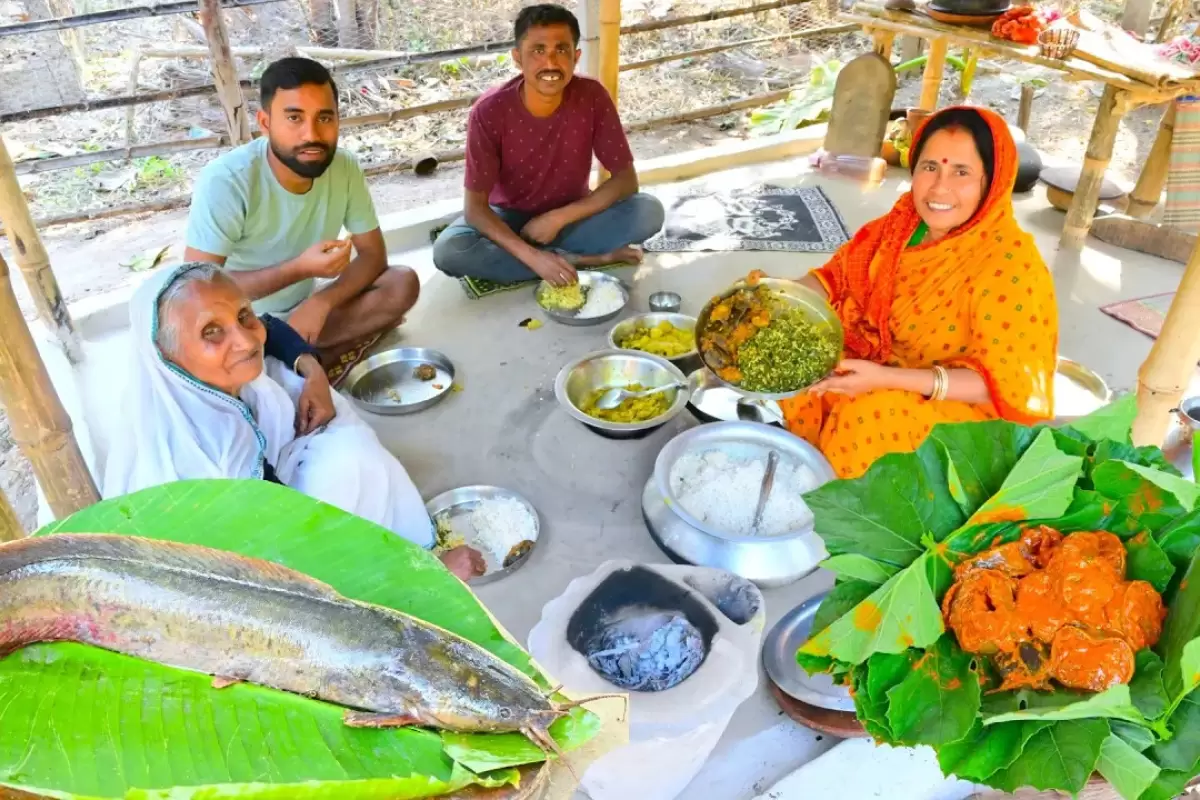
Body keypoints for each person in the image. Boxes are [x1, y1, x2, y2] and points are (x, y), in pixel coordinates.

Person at [103, 262, 486, 582]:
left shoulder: (199, 384)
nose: (246, 341)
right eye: (211, 332)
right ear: (166, 355)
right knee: (349, 462)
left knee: (340, 439)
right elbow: (285, 557)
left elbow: (272, 329)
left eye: (242, 316)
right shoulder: (201, 457)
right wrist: (422, 577)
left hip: (267, 492)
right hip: (247, 576)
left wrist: (313, 371)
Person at [780, 106, 1058, 479]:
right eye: (930, 167)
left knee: (869, 415)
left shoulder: (1011, 267)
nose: (940, 188)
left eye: (961, 172)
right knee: (795, 360)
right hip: (878, 364)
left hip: (960, 406)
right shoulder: (903, 222)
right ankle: (806, 470)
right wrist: (780, 296)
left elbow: (1006, 389)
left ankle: (847, 512)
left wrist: (883, 379)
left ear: (992, 181)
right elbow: (836, 279)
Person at [183, 57, 418, 365]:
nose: (312, 135)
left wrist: (322, 302)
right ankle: (312, 353)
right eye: (294, 118)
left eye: (324, 118)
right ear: (266, 123)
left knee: (402, 283)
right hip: (242, 322)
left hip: (303, 311)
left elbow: (374, 256)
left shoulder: (344, 167)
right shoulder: (228, 180)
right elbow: (197, 286)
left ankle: (294, 356)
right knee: (202, 346)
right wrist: (300, 269)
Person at [432, 3, 665, 286]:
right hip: (508, 219)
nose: (551, 63)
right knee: (450, 251)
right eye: (538, 51)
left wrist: (558, 218)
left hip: (571, 217)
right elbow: (475, 209)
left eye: (562, 50)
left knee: (648, 212)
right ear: (518, 58)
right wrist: (533, 257)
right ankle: (581, 260)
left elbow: (626, 181)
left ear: (576, 56)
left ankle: (550, 257)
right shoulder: (489, 111)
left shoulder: (592, 97)